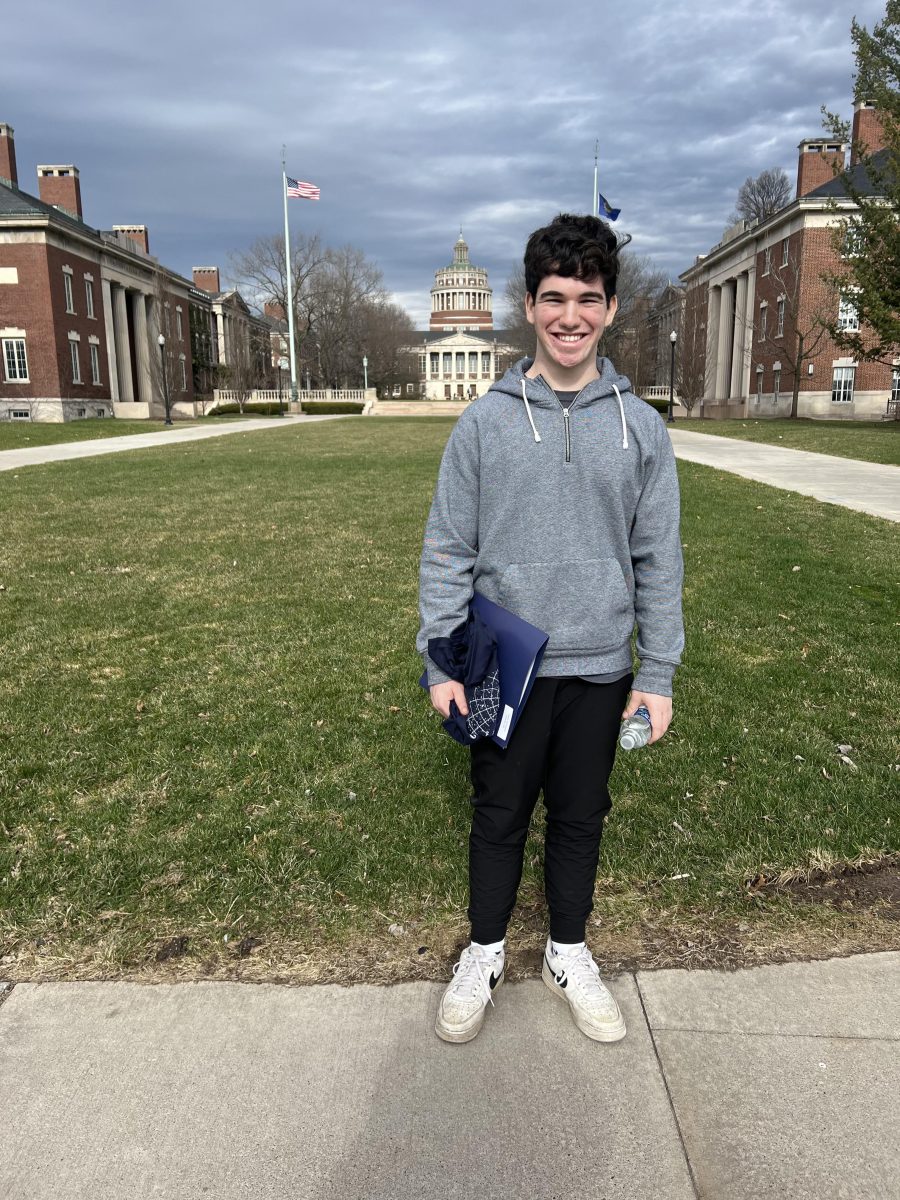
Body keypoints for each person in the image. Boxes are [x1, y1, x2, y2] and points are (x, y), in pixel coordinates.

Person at [417, 213, 684, 1044]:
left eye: (589, 299)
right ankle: (486, 949)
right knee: (498, 813)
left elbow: (658, 559)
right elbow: (448, 549)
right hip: (506, 660)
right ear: (529, 306)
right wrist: (441, 662)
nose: (571, 315)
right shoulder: (485, 423)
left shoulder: (641, 428)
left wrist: (658, 673)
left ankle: (569, 949)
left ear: (608, 309)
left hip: (602, 663)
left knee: (580, 814)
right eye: (555, 298)